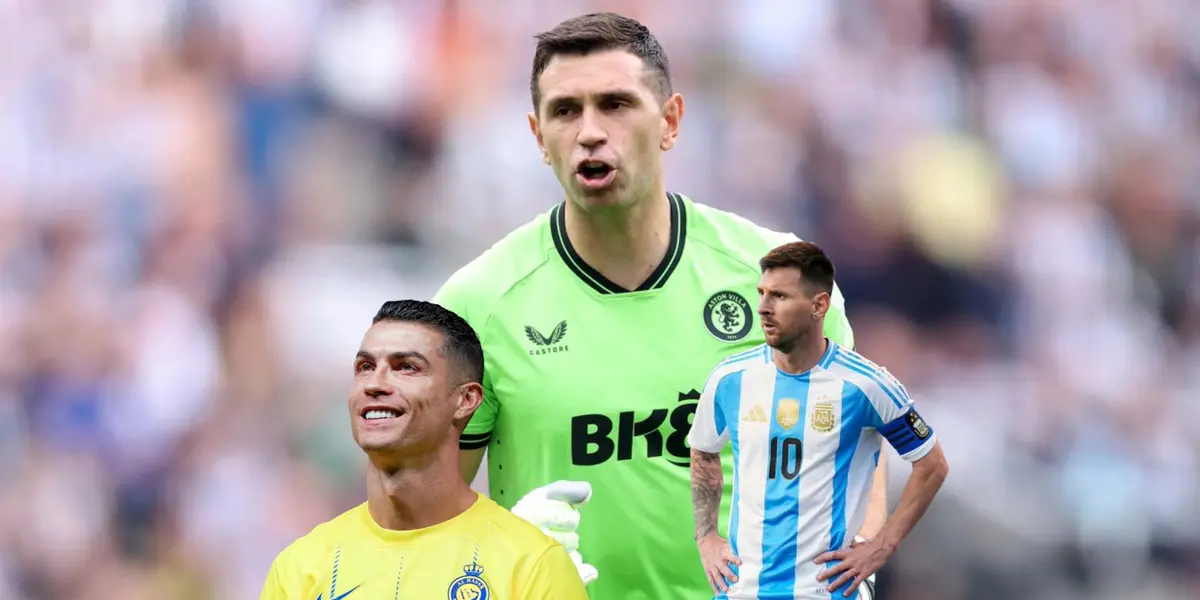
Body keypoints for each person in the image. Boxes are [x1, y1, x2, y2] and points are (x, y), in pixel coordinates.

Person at [432, 12, 888, 600]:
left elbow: (857, 462)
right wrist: (495, 553)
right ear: (538, 138)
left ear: (670, 120)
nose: (590, 132)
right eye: (565, 111)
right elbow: (417, 517)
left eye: (616, 104)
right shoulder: (478, 307)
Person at [259, 300, 590, 600]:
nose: (375, 383)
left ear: (466, 400)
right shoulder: (299, 569)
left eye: (406, 367)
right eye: (365, 367)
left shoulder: (533, 565)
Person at [689, 241, 949, 599]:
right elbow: (703, 451)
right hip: (744, 590)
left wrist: (882, 546)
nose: (763, 308)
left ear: (819, 305)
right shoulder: (730, 377)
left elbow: (932, 465)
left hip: (827, 591)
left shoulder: (866, 384)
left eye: (779, 296)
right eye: (761, 293)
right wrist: (706, 536)